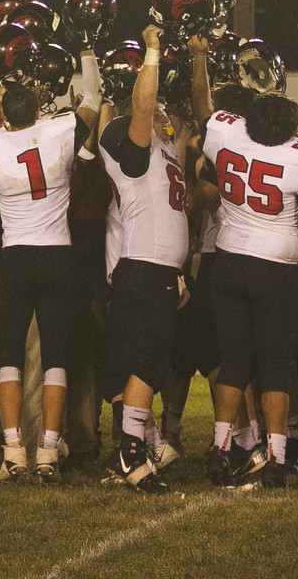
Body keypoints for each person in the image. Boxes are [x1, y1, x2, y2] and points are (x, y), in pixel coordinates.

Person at [0, 52, 102, 484]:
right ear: (40, 109)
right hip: (59, 256)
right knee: (56, 360)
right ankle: (47, 450)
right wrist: (86, 50)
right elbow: (94, 96)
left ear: (4, 117)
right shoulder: (60, 129)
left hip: (16, 257)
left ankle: (12, 450)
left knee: (8, 357)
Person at [190, 91, 298, 489]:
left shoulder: (224, 132)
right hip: (277, 270)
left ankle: (221, 451)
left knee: (233, 361)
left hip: (230, 260)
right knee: (276, 367)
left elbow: (208, 113)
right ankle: (276, 459)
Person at [90, 25, 190, 494]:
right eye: (153, 114)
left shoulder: (163, 150)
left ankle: (132, 447)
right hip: (143, 267)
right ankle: (132, 449)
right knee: (150, 361)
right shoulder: (132, 150)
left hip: (157, 269)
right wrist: (150, 55)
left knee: (141, 360)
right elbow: (143, 108)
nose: (161, 117)